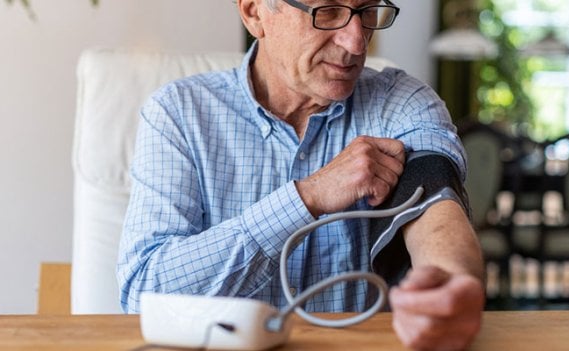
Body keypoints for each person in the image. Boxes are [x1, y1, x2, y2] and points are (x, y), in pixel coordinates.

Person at [117, 0, 485, 349]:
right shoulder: (179, 115)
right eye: (327, 12)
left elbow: (436, 204)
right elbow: (143, 295)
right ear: (253, 12)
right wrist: (305, 197)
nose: (357, 41)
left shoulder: (401, 102)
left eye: (368, 9)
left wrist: (450, 286)